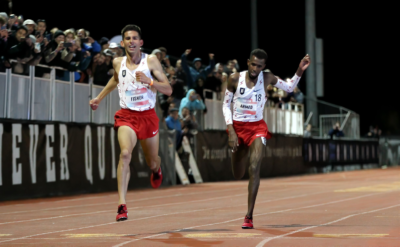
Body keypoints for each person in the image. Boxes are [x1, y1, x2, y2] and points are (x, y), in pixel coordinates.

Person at [89, 24, 172, 222]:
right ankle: (122, 205)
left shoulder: (150, 60)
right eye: (128, 38)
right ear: (123, 42)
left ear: (141, 42)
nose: (131, 41)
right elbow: (116, 80)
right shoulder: (117, 62)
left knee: (152, 161)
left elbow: (168, 90)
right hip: (126, 115)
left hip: (148, 116)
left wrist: (150, 82)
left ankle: (156, 169)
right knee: (125, 153)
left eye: (135, 38)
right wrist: (99, 98)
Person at [222, 49, 310, 229]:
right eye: (253, 64)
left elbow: (289, 87)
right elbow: (225, 105)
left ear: (264, 67)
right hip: (238, 128)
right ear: (248, 62)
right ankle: (240, 152)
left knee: (254, 167)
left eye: (259, 66)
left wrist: (300, 70)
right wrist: (230, 129)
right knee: (237, 174)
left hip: (257, 128)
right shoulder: (234, 78)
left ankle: (249, 216)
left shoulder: (267, 78)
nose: (255, 69)